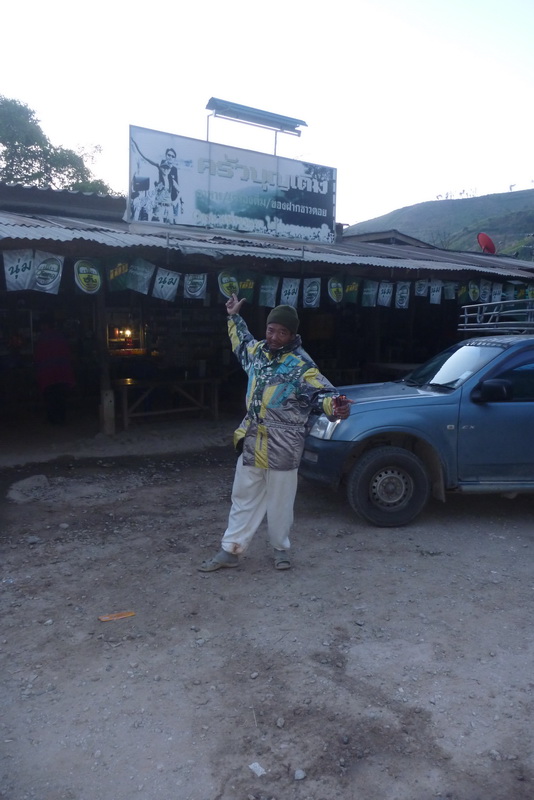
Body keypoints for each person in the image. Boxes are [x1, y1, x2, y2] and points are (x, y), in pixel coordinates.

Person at [198, 294, 351, 573]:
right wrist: (233, 316)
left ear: (292, 335)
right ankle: (231, 549)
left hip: (284, 444)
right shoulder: (257, 353)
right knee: (242, 497)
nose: (275, 337)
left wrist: (336, 406)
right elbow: (241, 341)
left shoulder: (301, 365)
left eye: (282, 332)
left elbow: (322, 394)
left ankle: (281, 549)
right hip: (252, 439)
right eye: (271, 330)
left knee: (280, 503)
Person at [34, 316, 76, 424]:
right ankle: (61, 418)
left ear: (45, 325)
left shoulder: (43, 338)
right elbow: (67, 353)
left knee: (50, 396)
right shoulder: (60, 336)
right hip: (62, 372)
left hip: (48, 373)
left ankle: (53, 419)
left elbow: (39, 356)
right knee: (60, 396)